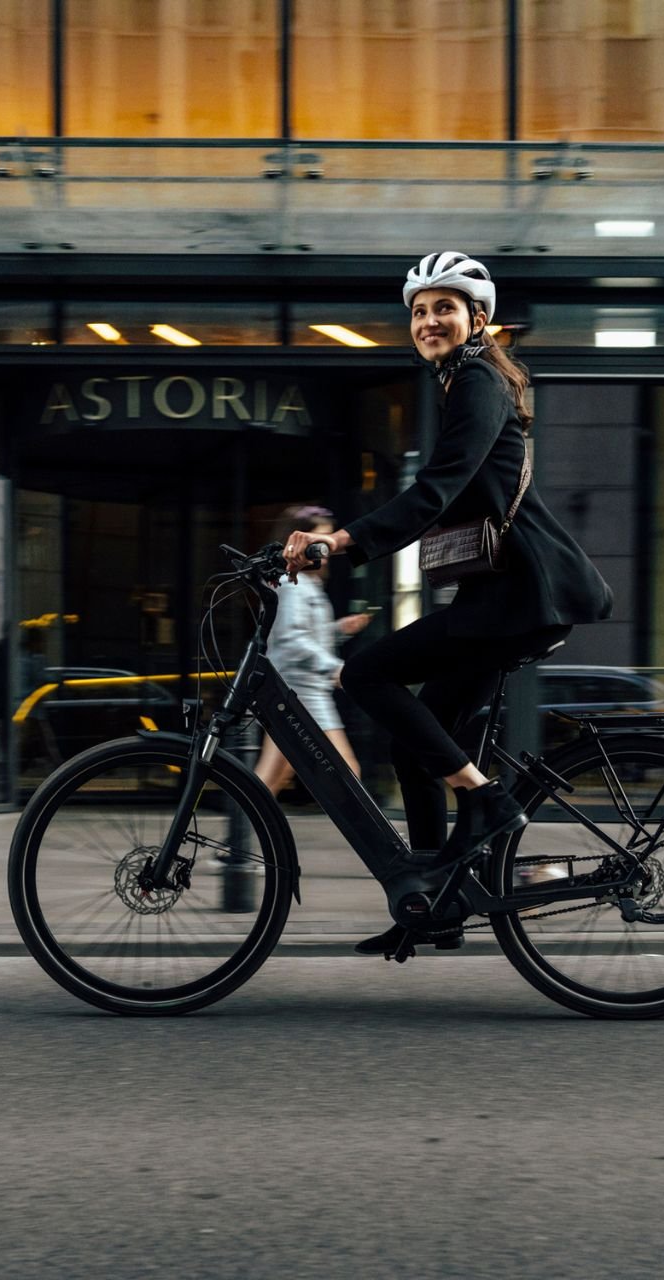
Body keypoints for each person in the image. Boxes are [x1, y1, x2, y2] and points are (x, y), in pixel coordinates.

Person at [283, 251, 614, 955]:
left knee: (367, 675)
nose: (428, 320)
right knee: (416, 741)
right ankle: (431, 902)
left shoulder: (478, 380)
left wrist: (339, 542)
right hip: (503, 596)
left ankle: (487, 799)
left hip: (518, 596)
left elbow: (435, 488)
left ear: (477, 318)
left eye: (444, 307)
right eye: (418, 311)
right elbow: (445, 495)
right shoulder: (466, 380)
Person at [253, 505, 371, 794]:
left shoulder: (303, 583)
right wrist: (334, 668)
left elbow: (301, 636)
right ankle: (380, 838)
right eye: (317, 542)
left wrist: (339, 629)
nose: (323, 552)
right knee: (348, 771)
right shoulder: (292, 584)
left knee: (271, 778)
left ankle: (240, 835)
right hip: (303, 692)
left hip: (299, 688)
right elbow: (292, 639)